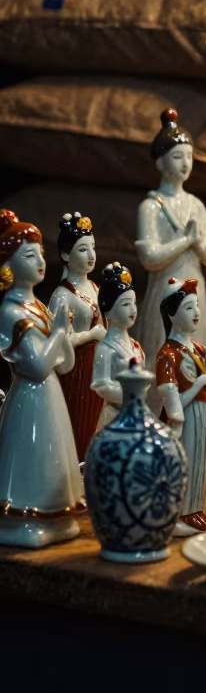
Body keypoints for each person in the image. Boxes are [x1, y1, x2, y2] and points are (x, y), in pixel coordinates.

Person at [0, 210, 83, 547]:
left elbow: (64, 364)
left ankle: (55, 516)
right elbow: (36, 366)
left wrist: (65, 335)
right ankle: (24, 519)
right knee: (31, 454)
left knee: (52, 453)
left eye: (40, 254)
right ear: (7, 265)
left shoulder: (40, 307)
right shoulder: (10, 312)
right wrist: (59, 333)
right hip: (29, 397)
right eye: (29, 255)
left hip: (50, 395)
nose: (39, 262)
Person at [134, 109, 206, 421]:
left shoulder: (196, 204)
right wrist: (186, 241)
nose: (185, 163)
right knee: (161, 351)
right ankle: (154, 420)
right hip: (165, 289)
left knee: (196, 349)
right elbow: (149, 257)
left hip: (195, 287)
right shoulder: (151, 206)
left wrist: (197, 242)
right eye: (177, 156)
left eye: (189, 156)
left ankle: (198, 419)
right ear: (160, 162)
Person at [155, 277, 206, 535]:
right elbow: (172, 403)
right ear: (171, 314)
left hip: (204, 414)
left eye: (196, 306)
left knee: (201, 463)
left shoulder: (197, 348)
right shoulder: (167, 354)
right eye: (188, 307)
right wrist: (198, 385)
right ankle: (177, 514)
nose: (196, 313)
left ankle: (194, 509)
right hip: (185, 419)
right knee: (184, 463)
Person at [48, 211, 107, 459]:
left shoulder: (95, 287)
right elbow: (58, 340)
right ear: (65, 255)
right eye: (83, 249)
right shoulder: (62, 296)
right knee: (80, 421)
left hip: (100, 365)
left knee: (99, 420)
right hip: (77, 369)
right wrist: (91, 334)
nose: (91, 255)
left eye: (92, 247)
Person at [91, 262, 145, 433]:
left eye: (134, 303)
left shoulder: (135, 346)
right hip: (114, 417)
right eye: (125, 304)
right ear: (108, 310)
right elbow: (101, 385)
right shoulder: (105, 349)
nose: (133, 309)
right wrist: (129, 392)